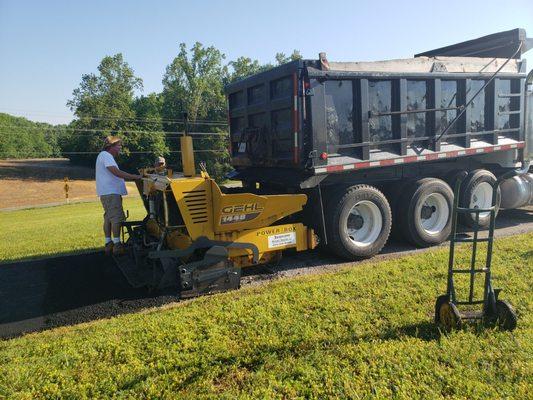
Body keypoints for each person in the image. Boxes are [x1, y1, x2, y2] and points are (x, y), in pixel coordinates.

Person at [95, 136, 142, 255]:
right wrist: (135, 176)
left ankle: (108, 243)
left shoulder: (103, 155)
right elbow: (116, 172)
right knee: (116, 218)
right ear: (111, 147)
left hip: (107, 193)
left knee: (108, 218)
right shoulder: (106, 156)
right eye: (118, 145)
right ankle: (117, 245)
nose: (120, 147)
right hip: (111, 193)